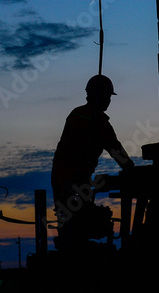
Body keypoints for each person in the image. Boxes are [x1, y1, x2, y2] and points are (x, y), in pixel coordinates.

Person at [51, 74, 133, 243]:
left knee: (69, 222)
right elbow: (115, 150)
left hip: (62, 177)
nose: (109, 101)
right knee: (79, 223)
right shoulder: (98, 122)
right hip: (74, 179)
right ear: (100, 96)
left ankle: (71, 245)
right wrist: (132, 170)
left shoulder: (77, 114)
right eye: (108, 96)